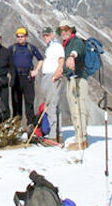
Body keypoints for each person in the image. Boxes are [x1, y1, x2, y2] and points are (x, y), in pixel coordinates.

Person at [57, 21, 89, 151]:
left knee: (79, 108)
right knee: (74, 108)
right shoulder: (66, 44)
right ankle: (79, 136)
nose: (63, 32)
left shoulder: (76, 41)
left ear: (71, 30)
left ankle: (82, 139)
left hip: (79, 79)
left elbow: (78, 51)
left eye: (66, 29)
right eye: (61, 30)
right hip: (71, 79)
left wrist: (71, 56)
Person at [9, 27, 43, 130]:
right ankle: (16, 125)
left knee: (29, 102)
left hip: (28, 77)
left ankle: (30, 125)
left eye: (22, 36)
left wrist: (36, 70)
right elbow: (5, 60)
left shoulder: (31, 48)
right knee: (16, 102)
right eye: (18, 36)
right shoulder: (12, 48)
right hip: (16, 78)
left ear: (26, 37)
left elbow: (41, 59)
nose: (20, 38)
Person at [37, 27, 65, 142]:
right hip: (47, 76)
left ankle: (53, 136)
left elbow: (61, 60)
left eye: (47, 35)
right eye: (44, 35)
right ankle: (58, 134)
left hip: (52, 76)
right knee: (51, 105)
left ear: (53, 35)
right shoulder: (49, 47)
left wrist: (56, 75)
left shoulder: (57, 46)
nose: (45, 37)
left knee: (51, 106)